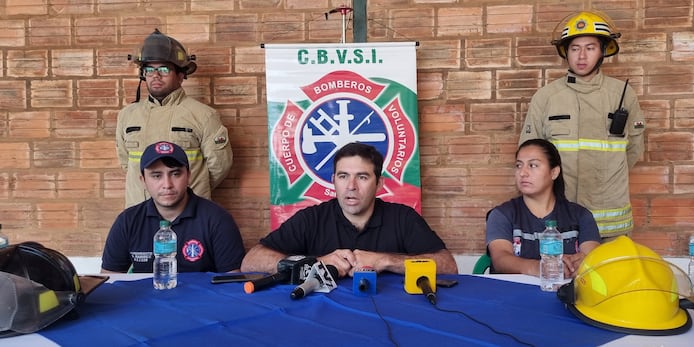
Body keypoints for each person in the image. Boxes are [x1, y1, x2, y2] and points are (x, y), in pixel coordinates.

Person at [240, 142, 458, 277]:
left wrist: (385, 261)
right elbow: (251, 261)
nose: (351, 186)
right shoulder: (312, 219)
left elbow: (448, 266)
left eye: (362, 177)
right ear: (334, 180)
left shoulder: (403, 218)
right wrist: (313, 263)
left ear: (379, 183)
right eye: (343, 176)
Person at [519, 10, 645, 239]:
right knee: (558, 271)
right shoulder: (546, 97)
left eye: (590, 47)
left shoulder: (623, 95)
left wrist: (607, 172)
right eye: (575, 48)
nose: (581, 56)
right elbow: (530, 154)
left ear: (603, 51)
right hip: (559, 215)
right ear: (566, 52)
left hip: (610, 217)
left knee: (610, 274)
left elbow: (634, 149)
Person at [116, 29, 233, 208]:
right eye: (149, 70)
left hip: (190, 211)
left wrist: (188, 189)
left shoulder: (204, 115)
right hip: (140, 212)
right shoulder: (127, 116)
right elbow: (126, 163)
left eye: (164, 69)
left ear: (180, 76)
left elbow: (219, 166)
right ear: (143, 75)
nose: (156, 75)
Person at [101, 141, 245, 273]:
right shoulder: (128, 221)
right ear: (143, 181)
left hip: (201, 301)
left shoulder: (218, 219)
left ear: (188, 176)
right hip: (146, 301)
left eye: (175, 174)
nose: (167, 184)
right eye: (156, 176)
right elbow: (110, 279)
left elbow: (232, 282)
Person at [486, 139, 600, 278]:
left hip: (568, 296)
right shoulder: (502, 214)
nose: (523, 173)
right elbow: (500, 259)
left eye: (533, 165)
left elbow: (593, 257)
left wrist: (580, 264)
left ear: (554, 172)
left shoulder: (581, 215)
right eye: (518, 165)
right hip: (514, 296)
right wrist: (538, 267)